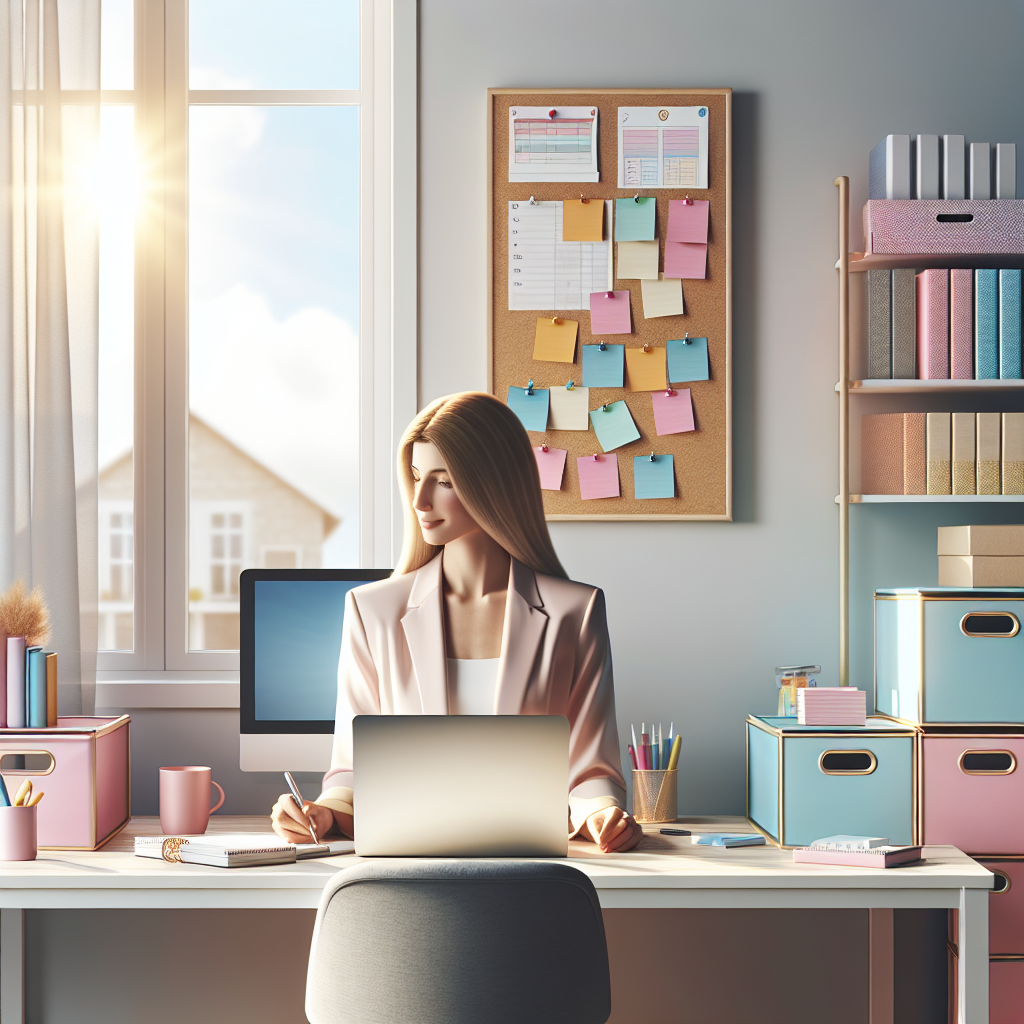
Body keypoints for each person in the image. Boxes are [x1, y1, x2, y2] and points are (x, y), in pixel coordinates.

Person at [271, 392, 642, 853]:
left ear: (495, 484)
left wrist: (602, 813)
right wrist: (323, 812)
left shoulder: (575, 612)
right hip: (406, 867)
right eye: (415, 477)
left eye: (443, 481)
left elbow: (591, 770)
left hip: (531, 868)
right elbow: (352, 766)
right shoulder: (372, 611)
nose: (420, 500)